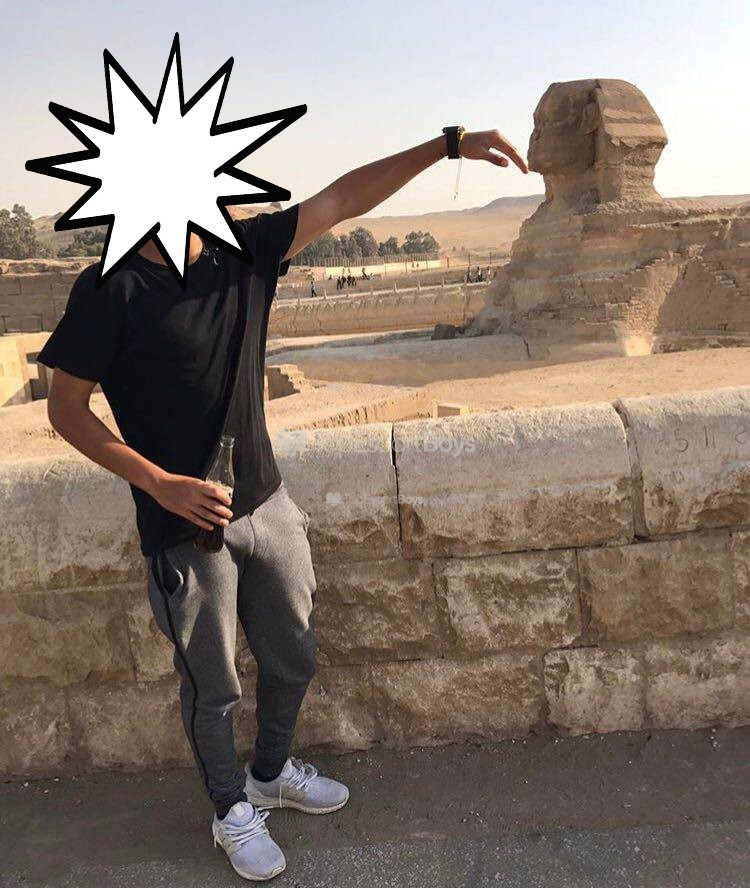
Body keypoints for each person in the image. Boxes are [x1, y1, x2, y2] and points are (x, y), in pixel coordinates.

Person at [38, 126, 526, 882]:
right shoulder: (110, 289)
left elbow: (342, 199)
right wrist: (159, 483)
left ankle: (269, 776)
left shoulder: (243, 251)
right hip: (183, 527)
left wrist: (448, 146)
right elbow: (66, 408)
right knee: (214, 687)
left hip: (267, 504)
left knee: (293, 657)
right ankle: (231, 810)